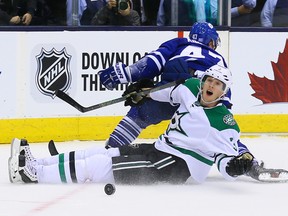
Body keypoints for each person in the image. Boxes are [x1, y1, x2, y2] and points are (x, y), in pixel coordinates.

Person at [97, 21, 288, 182]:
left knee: (138, 116)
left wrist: (125, 75)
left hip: (169, 93)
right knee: (223, 133)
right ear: (212, 42)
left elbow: (152, 63)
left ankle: (110, 151)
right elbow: (224, 95)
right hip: (200, 99)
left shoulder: (179, 43)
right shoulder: (218, 58)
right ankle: (249, 163)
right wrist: (221, 115)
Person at [9, 65, 256, 184]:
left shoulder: (224, 122)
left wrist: (235, 167)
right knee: (100, 152)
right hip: (160, 150)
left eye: (218, 85)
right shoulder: (190, 88)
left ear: (224, 93)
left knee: (98, 166)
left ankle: (36, 175)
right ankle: (36, 164)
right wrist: (145, 92)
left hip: (176, 168)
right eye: (210, 80)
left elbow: (224, 158)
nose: (211, 86)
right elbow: (168, 94)